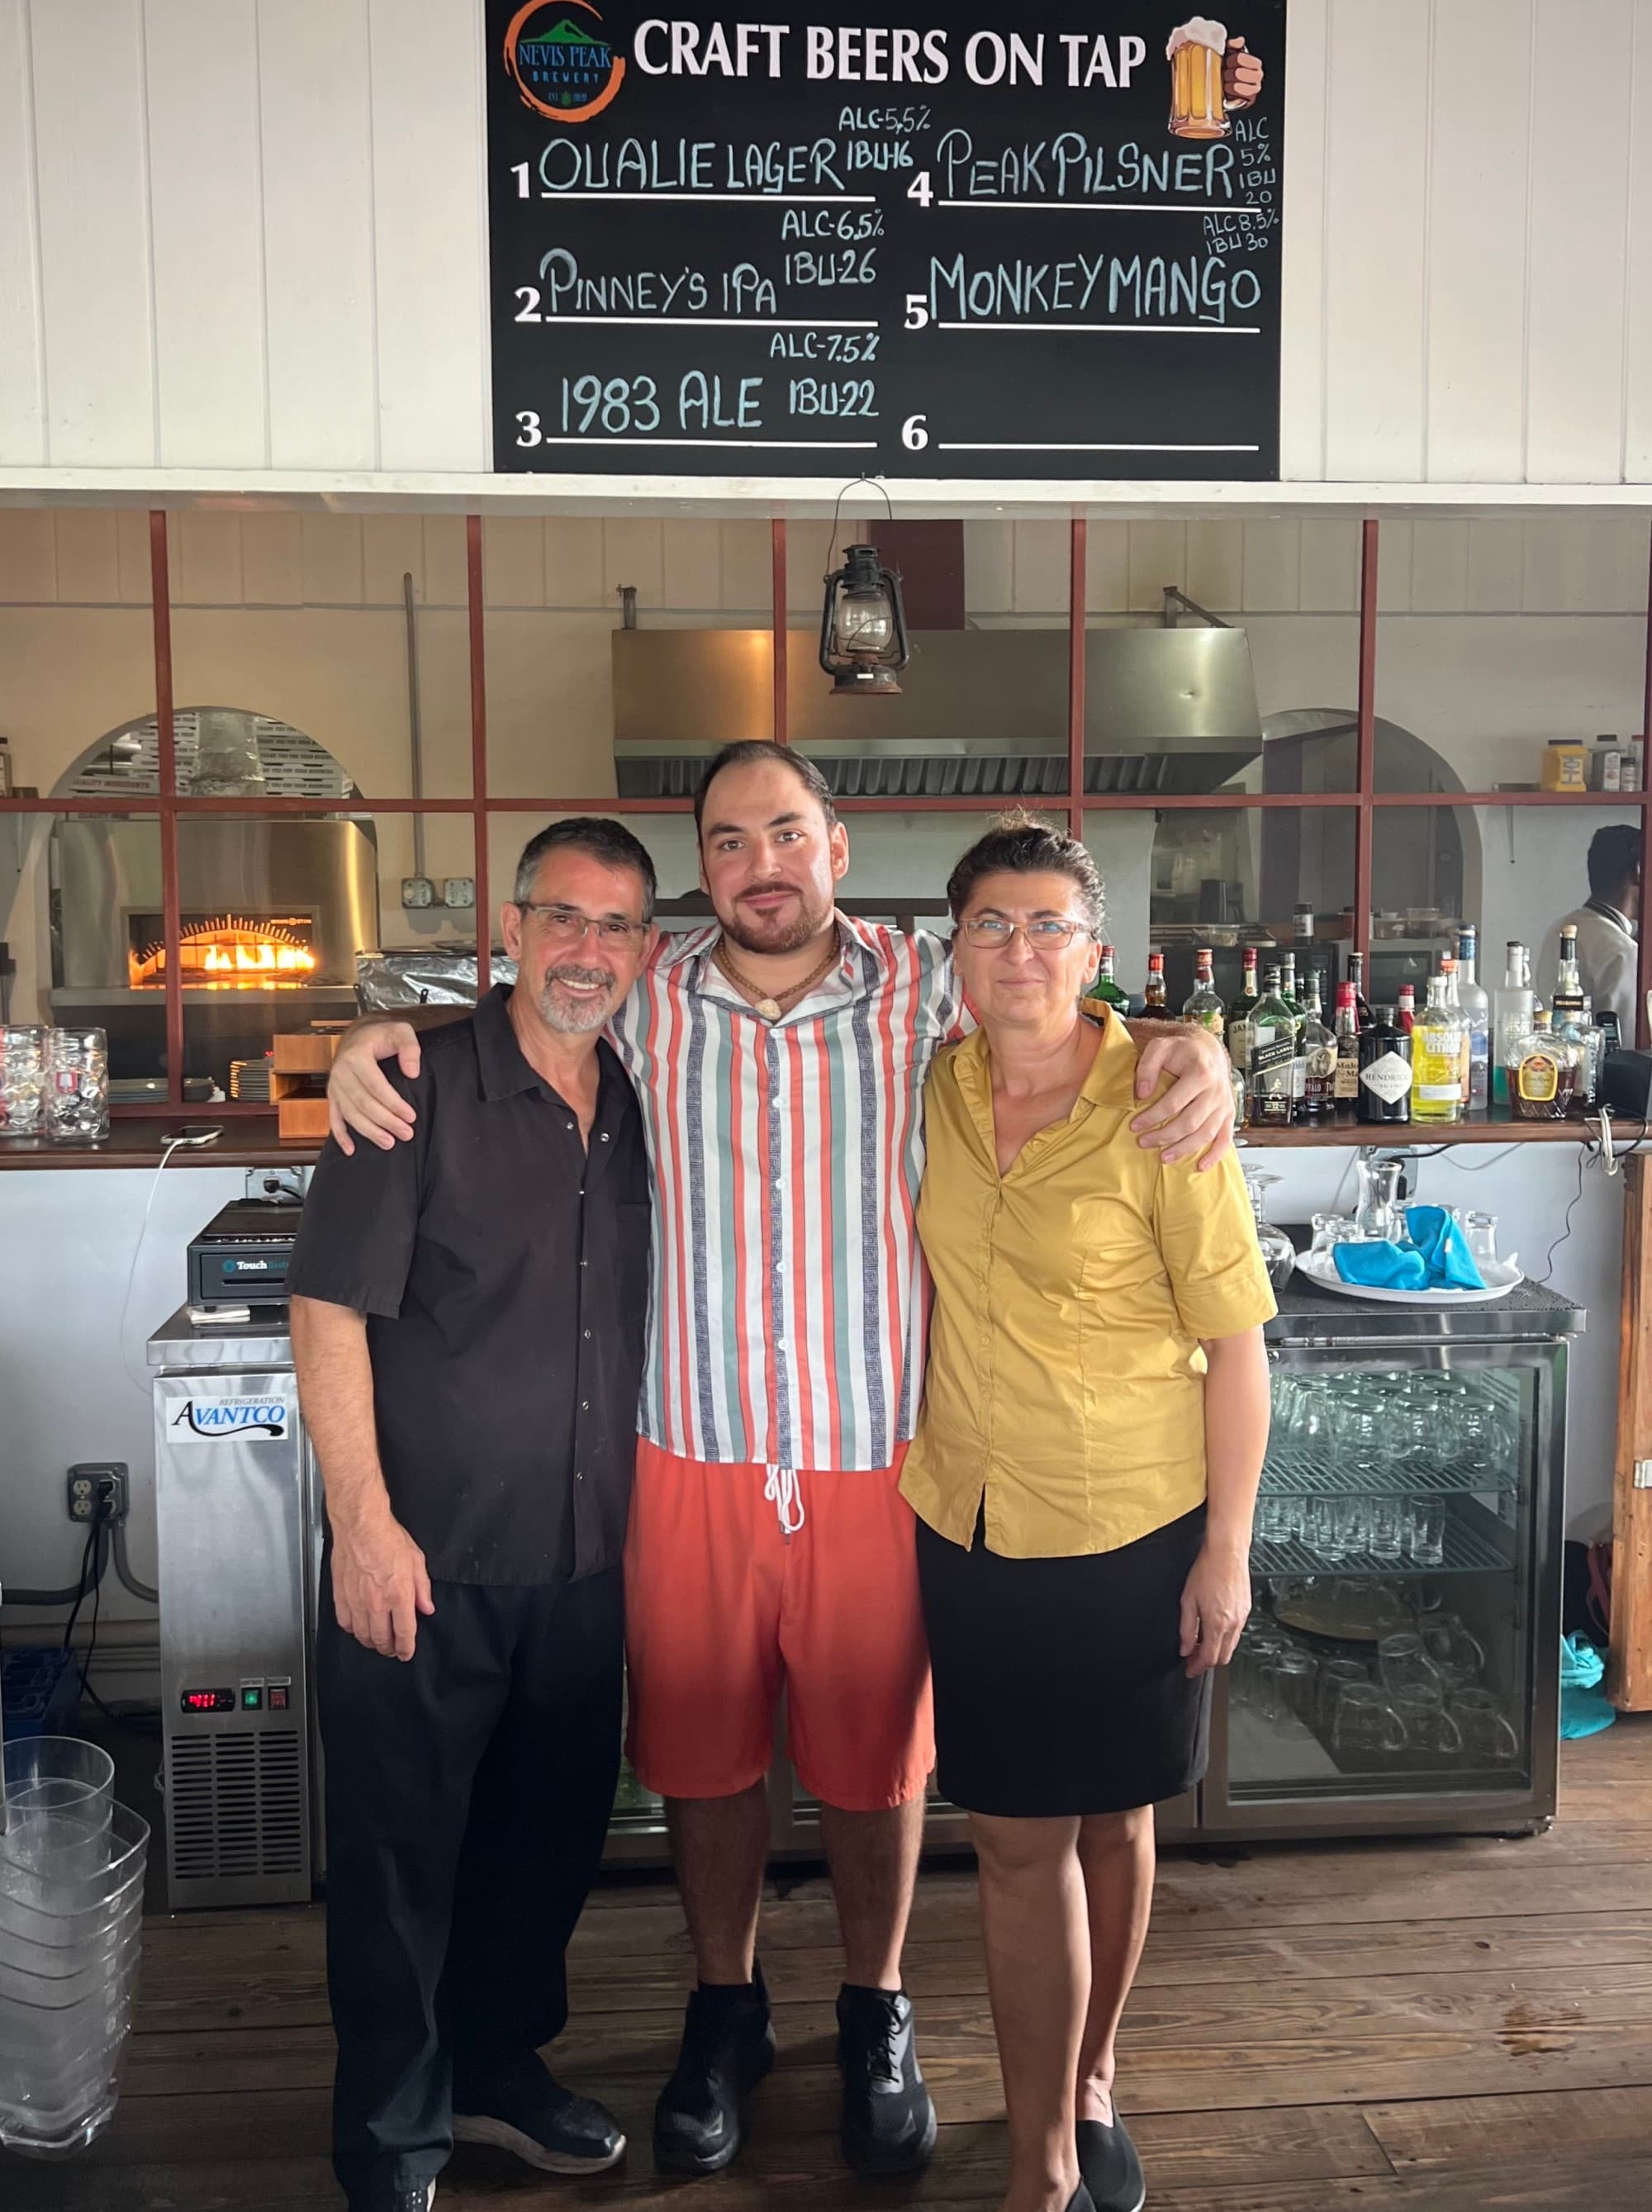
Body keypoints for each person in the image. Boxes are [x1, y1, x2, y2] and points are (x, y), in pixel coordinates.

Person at [325, 743, 1239, 2182]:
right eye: (731, 837)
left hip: (882, 1450)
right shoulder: (652, 988)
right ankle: (722, 2004)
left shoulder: (925, 978)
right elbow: (519, 1006)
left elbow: (1059, 987)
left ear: (836, 842)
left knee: (877, 1764)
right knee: (704, 1755)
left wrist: (1201, 1044)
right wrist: (362, 1035)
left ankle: (874, 2006)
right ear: (702, 866)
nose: (764, 862)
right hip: (688, 1446)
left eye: (789, 832)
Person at [902, 814, 1275, 2212]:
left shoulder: (1166, 1107)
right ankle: (1041, 2150)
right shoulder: (933, 1086)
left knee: (1116, 1820)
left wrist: (1226, 1549)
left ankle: (1094, 2069)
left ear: (1098, 952)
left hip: (1133, 1521)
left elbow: (1238, 1345)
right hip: (971, 1518)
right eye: (992, 924)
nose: (1020, 950)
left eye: (1049, 924)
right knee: (1010, 1834)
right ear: (956, 953)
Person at [288, 818, 657, 2212]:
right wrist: (363, 1524)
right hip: (425, 1554)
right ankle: (390, 2141)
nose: (587, 949)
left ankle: (498, 2070)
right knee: (399, 1859)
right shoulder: (413, 1084)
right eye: (564, 917)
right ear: (513, 930)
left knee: (543, 1841)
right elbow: (325, 1307)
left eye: (617, 925)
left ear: (645, 951)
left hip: (581, 1560)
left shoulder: (638, 1092)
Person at [1540, 822, 1640, 1044]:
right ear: (1639, 870)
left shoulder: (1560, 928)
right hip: (1606, 1076)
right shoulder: (1623, 953)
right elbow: (1630, 1047)